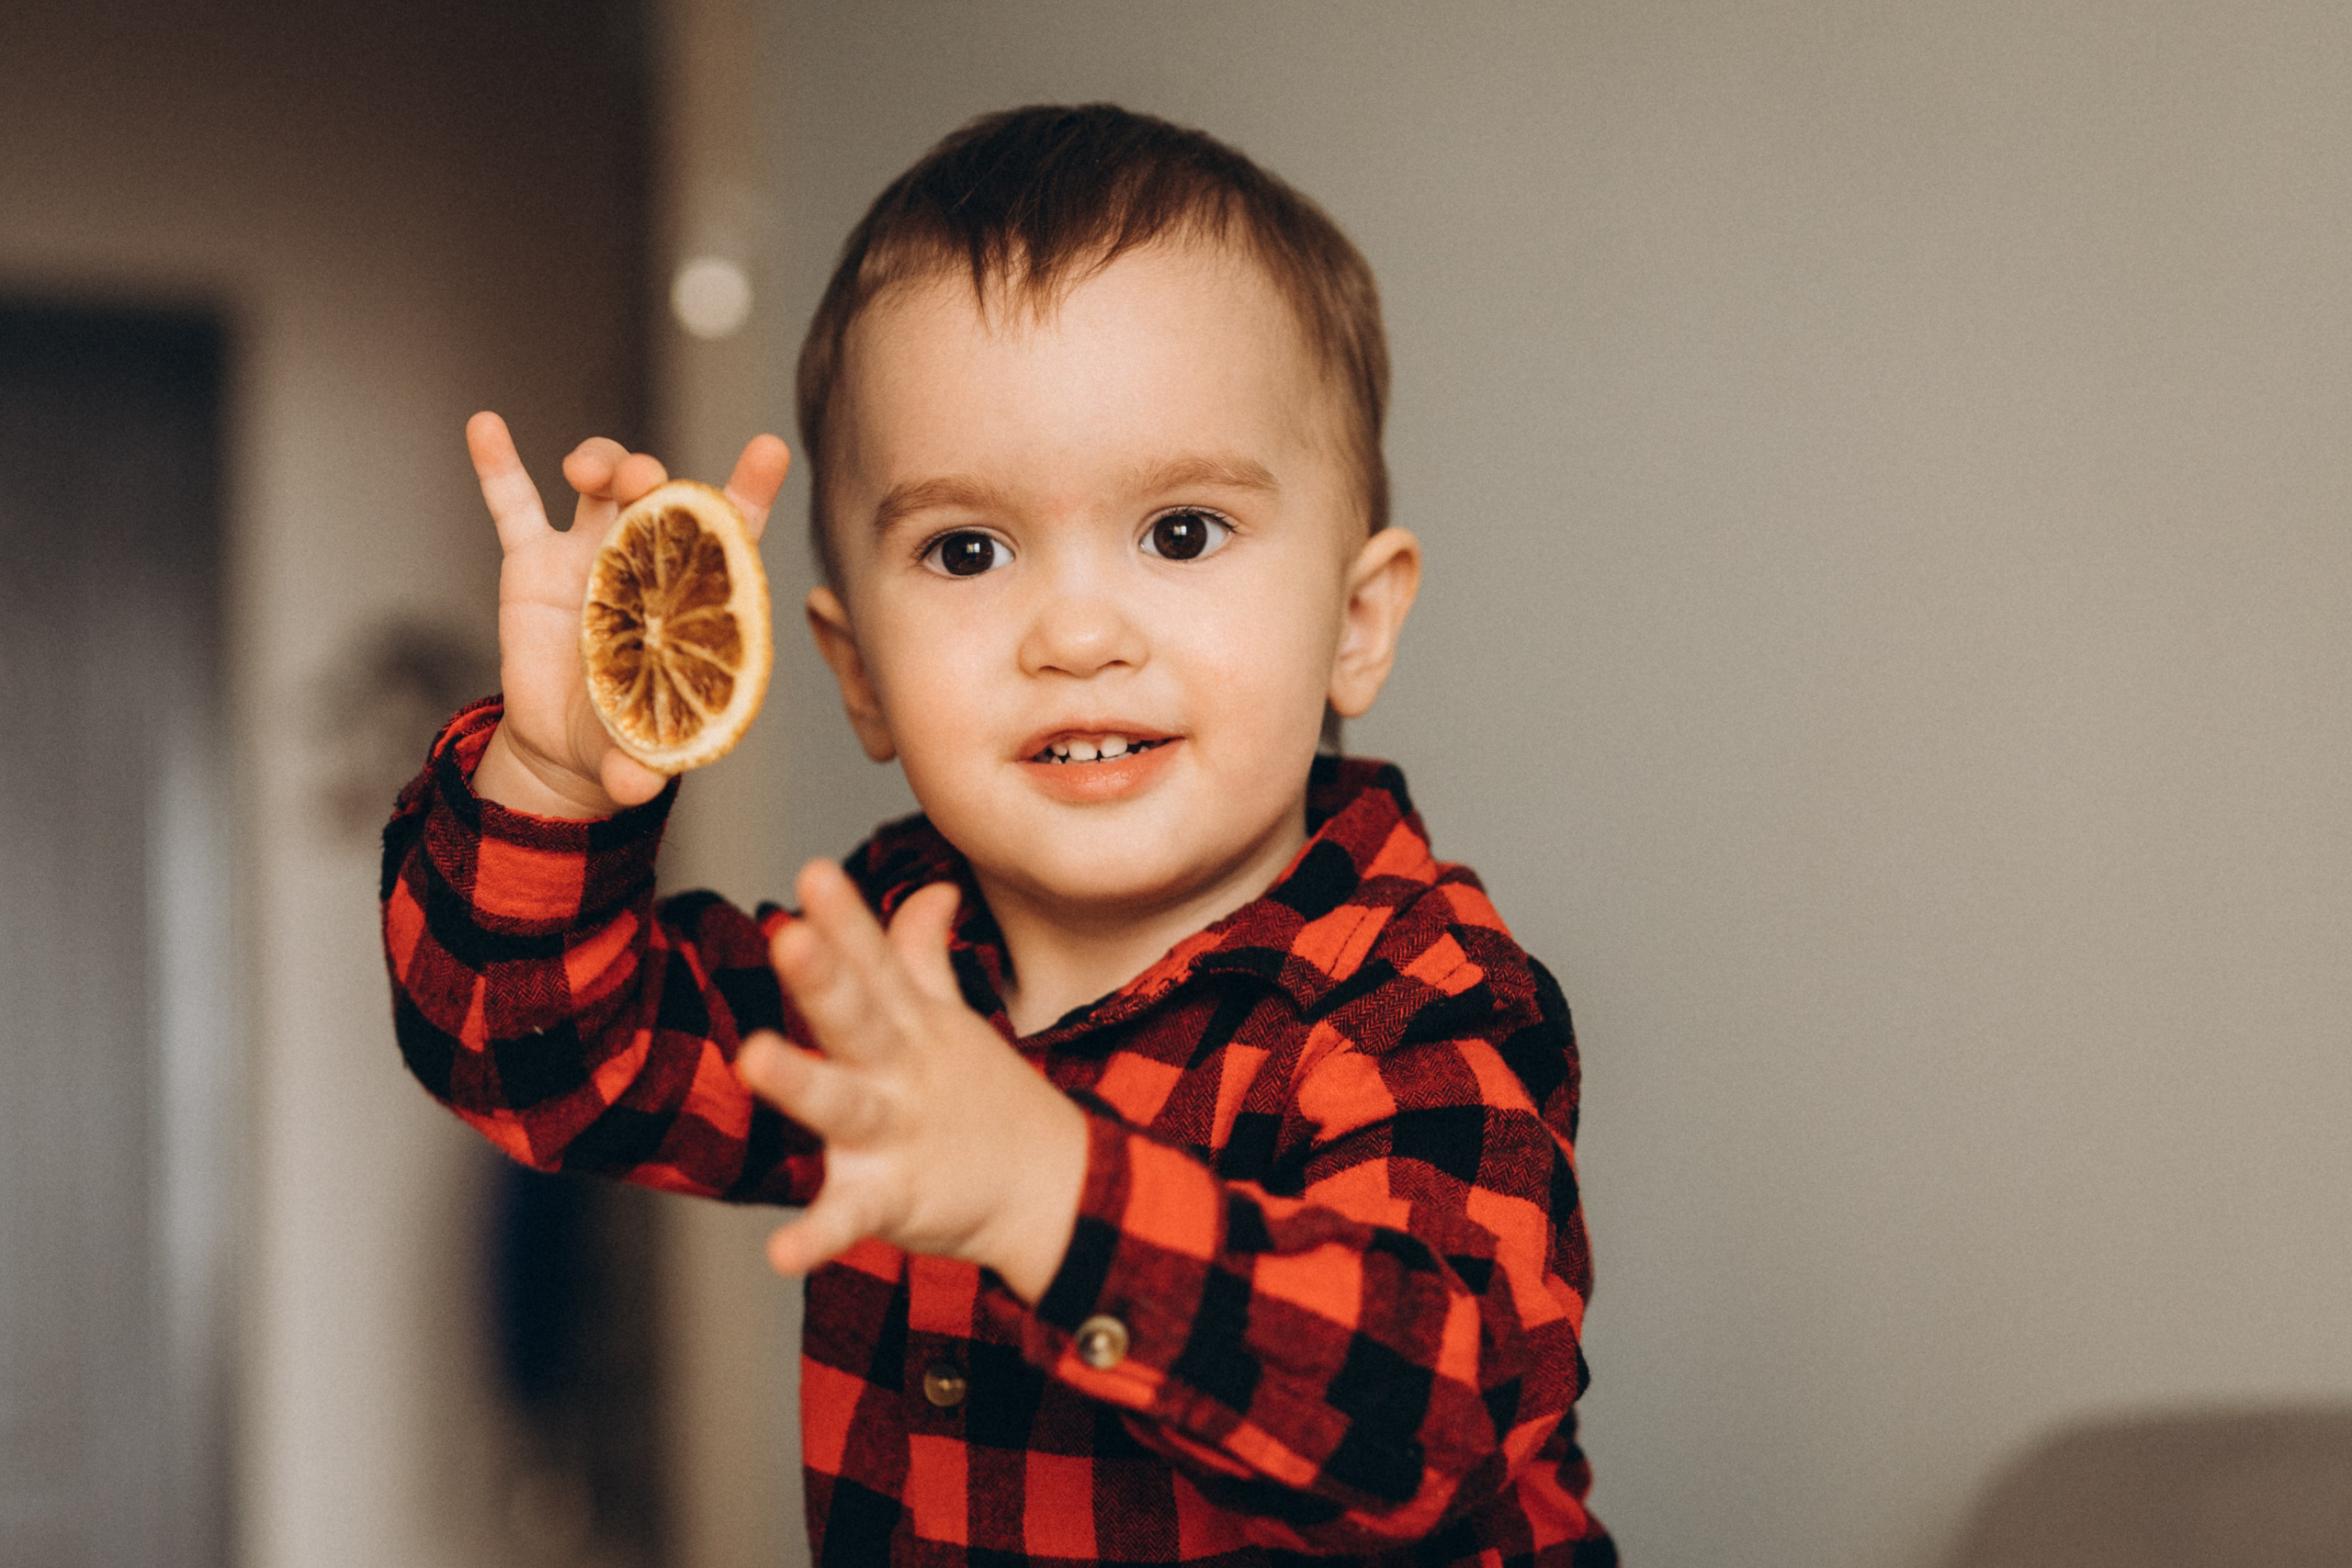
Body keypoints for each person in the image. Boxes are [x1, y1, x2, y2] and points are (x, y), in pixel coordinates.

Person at [383, 103, 1612, 1565]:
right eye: (966, 550)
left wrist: (1048, 1191)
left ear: (1356, 621)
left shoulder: (1413, 997)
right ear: (857, 674)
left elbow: (1435, 1420)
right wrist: (548, 774)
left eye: (1182, 531)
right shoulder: (881, 985)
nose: (1078, 634)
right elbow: (537, 1053)